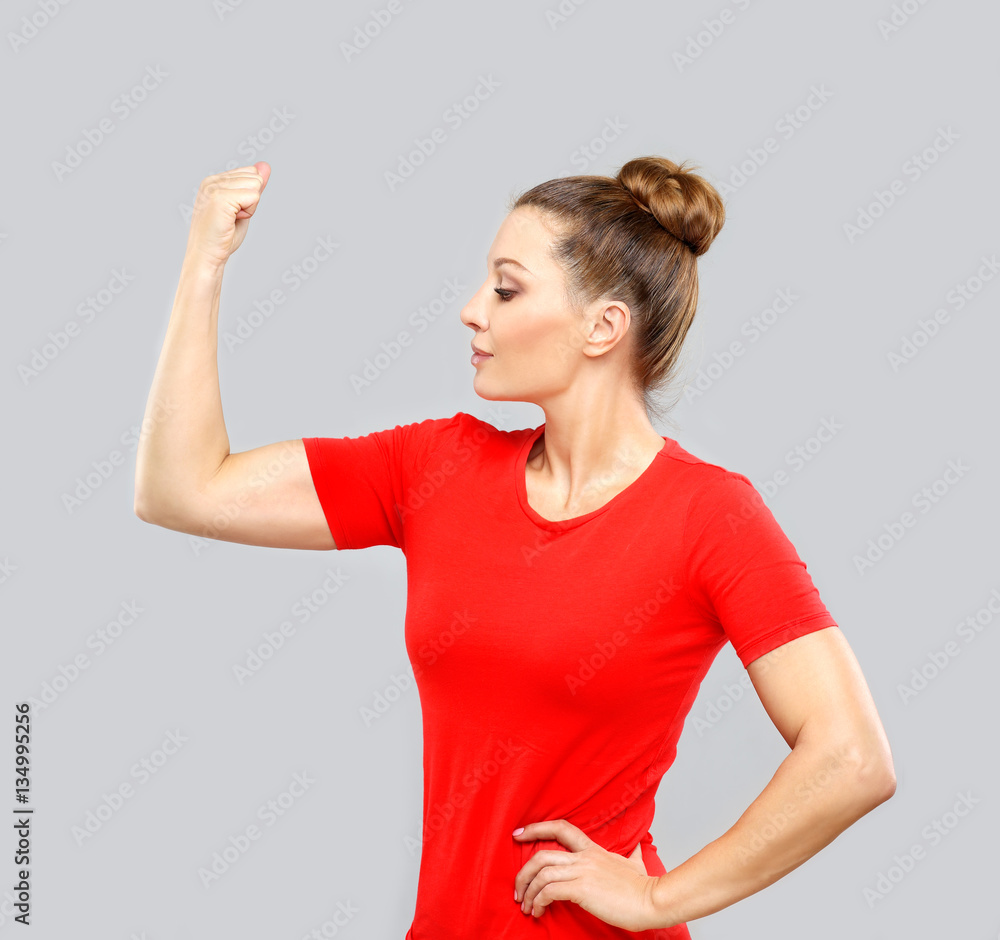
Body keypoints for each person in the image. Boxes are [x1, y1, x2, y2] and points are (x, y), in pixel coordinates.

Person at [134, 156, 896, 938]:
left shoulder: (709, 515)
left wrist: (659, 900)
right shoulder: (437, 469)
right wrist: (205, 263)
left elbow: (851, 758)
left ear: (603, 326)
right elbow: (182, 489)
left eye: (506, 288)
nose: (472, 310)